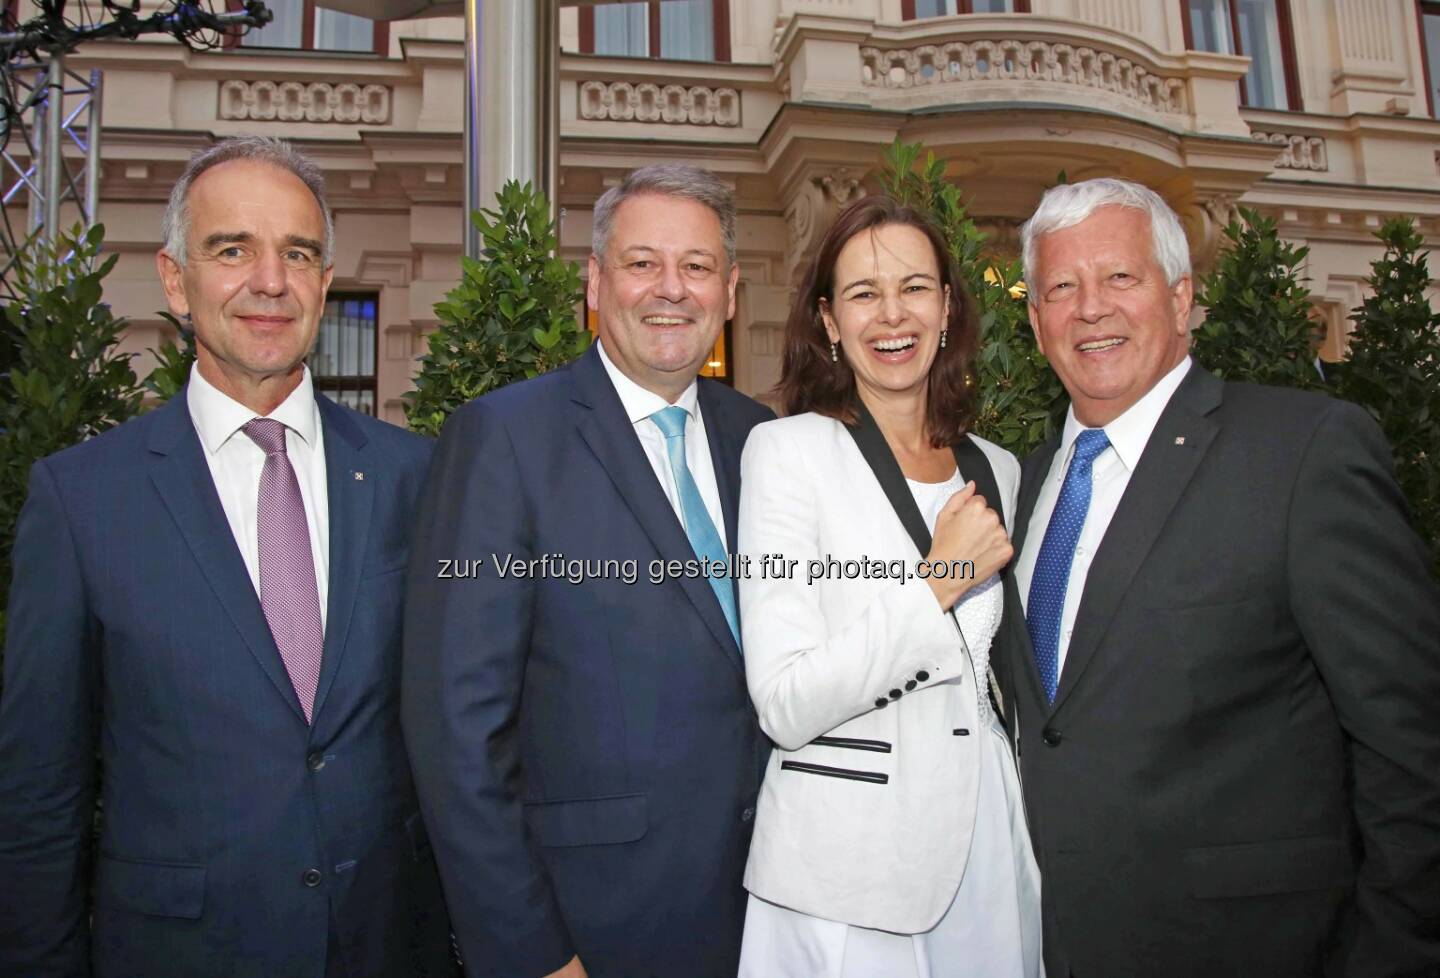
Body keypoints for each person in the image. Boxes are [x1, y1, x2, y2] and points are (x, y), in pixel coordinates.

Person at [0, 136, 454, 977]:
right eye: (232, 249)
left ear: (324, 281)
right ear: (176, 280)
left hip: (391, 943)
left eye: (298, 253)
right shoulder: (82, 500)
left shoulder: (418, 478)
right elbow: (38, 797)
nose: (270, 281)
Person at [1002, 176, 1440, 978]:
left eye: (1120, 278)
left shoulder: (1301, 454)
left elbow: (1412, 747)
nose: (1090, 307)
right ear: (1035, 323)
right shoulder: (1021, 488)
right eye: (1062, 287)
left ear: (1181, 297)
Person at [402, 163, 774, 978]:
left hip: (771, 915)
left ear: (732, 291)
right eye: (643, 264)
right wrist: (528, 950)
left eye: (698, 267)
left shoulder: (767, 440)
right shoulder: (504, 439)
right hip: (592, 929)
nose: (671, 289)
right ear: (596, 284)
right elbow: (457, 728)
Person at [735, 194, 1043, 978]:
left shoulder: (996, 468)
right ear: (830, 321)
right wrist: (936, 582)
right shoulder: (787, 454)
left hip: (989, 851)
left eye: (913, 286)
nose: (891, 314)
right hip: (850, 873)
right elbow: (785, 700)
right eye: (863, 293)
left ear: (947, 304)